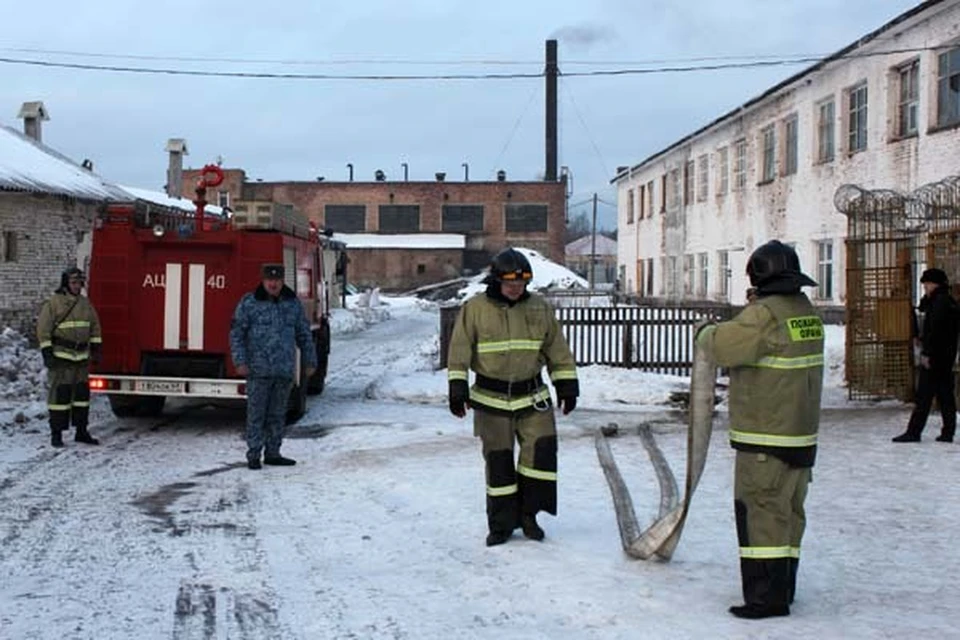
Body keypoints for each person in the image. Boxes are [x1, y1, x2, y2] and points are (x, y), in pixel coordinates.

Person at [696, 240, 824, 619]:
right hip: (801, 437)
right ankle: (784, 587)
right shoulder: (805, 312)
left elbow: (719, 346)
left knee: (761, 515)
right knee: (789, 515)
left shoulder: (764, 315)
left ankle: (766, 599)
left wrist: (704, 329)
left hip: (765, 439)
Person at [447, 248, 579, 547]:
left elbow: (557, 351)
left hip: (532, 397)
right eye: (510, 285)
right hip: (491, 401)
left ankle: (530, 516)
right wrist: (458, 389)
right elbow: (459, 352)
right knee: (499, 462)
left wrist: (567, 386)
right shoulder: (475, 309)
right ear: (496, 281)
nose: (516, 290)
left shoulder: (539, 308)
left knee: (540, 457)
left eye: (521, 285)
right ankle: (502, 524)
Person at [229, 264, 316, 470]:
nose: (273, 283)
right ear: (263, 280)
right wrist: (240, 361)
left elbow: (304, 334)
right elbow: (236, 334)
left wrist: (310, 361)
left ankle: (273, 453)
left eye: (277, 280)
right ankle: (253, 454)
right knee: (257, 414)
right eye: (270, 280)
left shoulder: (292, 304)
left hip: (283, 369)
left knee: (278, 414)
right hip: (258, 370)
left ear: (282, 280)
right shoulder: (249, 303)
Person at [36, 267, 103, 447]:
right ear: (66, 283)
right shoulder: (54, 303)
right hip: (61, 359)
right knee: (59, 398)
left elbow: (94, 326)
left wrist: (96, 348)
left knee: (82, 397)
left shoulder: (85, 304)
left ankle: (81, 431)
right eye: (73, 282)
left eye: (79, 282)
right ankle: (56, 434)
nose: (77, 286)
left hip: (80, 359)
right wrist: (47, 353)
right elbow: (43, 330)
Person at [892, 268, 959, 443]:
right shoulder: (947, 301)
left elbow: (935, 331)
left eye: (927, 284)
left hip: (935, 357)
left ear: (934, 284)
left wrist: (927, 353)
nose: (925, 288)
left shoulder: (939, 303)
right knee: (945, 395)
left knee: (924, 396)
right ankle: (948, 432)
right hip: (945, 356)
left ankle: (914, 432)